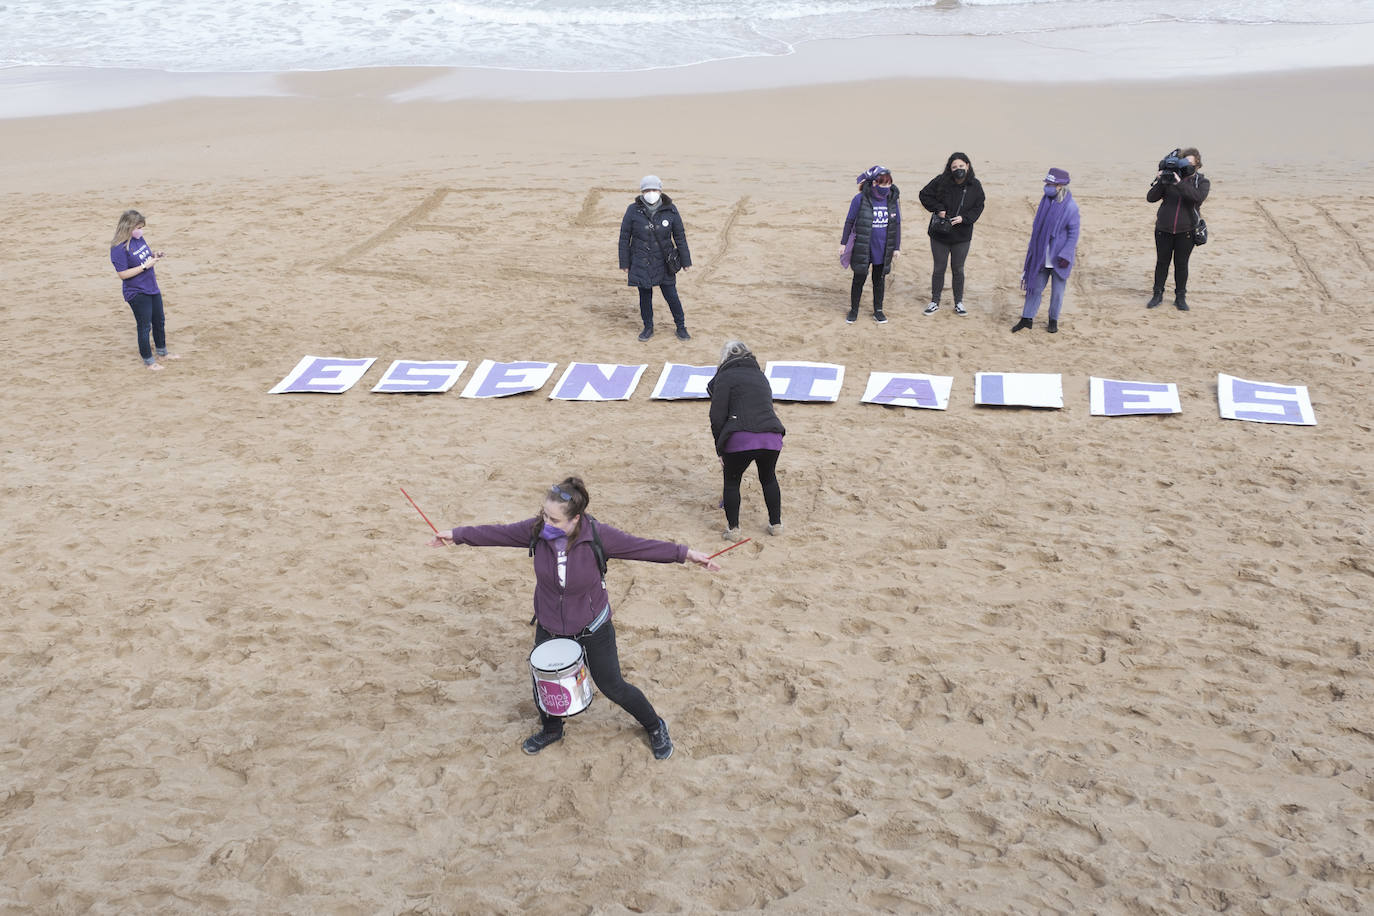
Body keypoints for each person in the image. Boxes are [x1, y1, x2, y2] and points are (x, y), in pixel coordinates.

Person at [427, 477, 721, 759]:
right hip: (551, 623)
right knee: (542, 680)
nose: (547, 524)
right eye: (544, 515)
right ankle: (552, 728)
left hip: (593, 624)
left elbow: (643, 547)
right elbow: (496, 533)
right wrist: (457, 535)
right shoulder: (536, 530)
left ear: (576, 519)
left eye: (555, 520)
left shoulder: (599, 536)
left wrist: (687, 554)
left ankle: (655, 726)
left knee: (612, 685)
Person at [707, 340, 785, 539]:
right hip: (772, 436)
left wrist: (720, 448)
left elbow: (717, 416)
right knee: (768, 478)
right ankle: (776, 525)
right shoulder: (761, 376)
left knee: (732, 483)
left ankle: (734, 530)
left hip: (741, 436)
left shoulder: (724, 377)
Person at [619, 175, 693, 341]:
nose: (650, 193)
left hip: (664, 262)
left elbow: (680, 236)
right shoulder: (633, 210)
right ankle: (648, 327)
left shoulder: (671, 210)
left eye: (654, 190)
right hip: (641, 261)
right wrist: (624, 262)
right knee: (645, 297)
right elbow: (624, 237)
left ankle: (681, 327)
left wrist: (686, 261)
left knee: (672, 296)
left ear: (660, 191)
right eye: (646, 190)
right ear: (642, 192)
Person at [1013, 168, 1081, 335]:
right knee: (1035, 287)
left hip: (1059, 259)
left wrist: (1065, 254)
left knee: (1057, 293)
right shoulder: (1045, 202)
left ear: (1059, 186)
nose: (1047, 187)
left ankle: (1053, 320)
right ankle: (1027, 318)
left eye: (1050, 184)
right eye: (1047, 184)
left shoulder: (1070, 207)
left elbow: (1073, 233)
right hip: (1042, 256)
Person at [918, 152, 986, 317]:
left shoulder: (975, 185)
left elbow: (979, 205)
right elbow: (924, 194)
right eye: (954, 167)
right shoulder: (941, 181)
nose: (958, 169)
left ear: (967, 166)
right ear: (950, 168)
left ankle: (959, 303)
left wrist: (965, 218)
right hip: (939, 233)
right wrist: (938, 208)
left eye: (961, 166)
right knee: (939, 268)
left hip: (962, 235)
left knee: (958, 269)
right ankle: (935, 301)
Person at [109, 209, 178, 369]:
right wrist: (145, 266)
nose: (141, 230)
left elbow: (143, 255)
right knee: (144, 326)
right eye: (138, 227)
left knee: (159, 321)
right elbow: (123, 274)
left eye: (142, 227)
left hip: (151, 287)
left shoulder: (138, 239)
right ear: (128, 227)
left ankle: (163, 353)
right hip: (137, 292)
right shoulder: (118, 248)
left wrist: (154, 255)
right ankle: (149, 361)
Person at [1146, 147, 1210, 311]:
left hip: (1186, 230)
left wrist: (1179, 183)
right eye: (1184, 162)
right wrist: (1161, 180)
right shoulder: (1169, 179)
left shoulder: (1201, 182)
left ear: (1198, 166)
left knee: (1181, 264)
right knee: (1162, 263)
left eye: (1190, 164)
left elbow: (1197, 198)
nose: (1186, 166)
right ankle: (1157, 294)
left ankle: (1180, 297)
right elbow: (1151, 198)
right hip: (1163, 229)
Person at [840, 165, 901, 324]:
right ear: (874, 183)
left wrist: (896, 247)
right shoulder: (860, 199)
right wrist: (843, 243)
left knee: (879, 280)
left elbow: (897, 224)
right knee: (859, 278)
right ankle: (854, 310)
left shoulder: (892, 199)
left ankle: (878, 310)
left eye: (889, 184)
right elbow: (849, 221)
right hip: (863, 246)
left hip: (883, 247)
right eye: (883, 184)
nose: (887, 187)